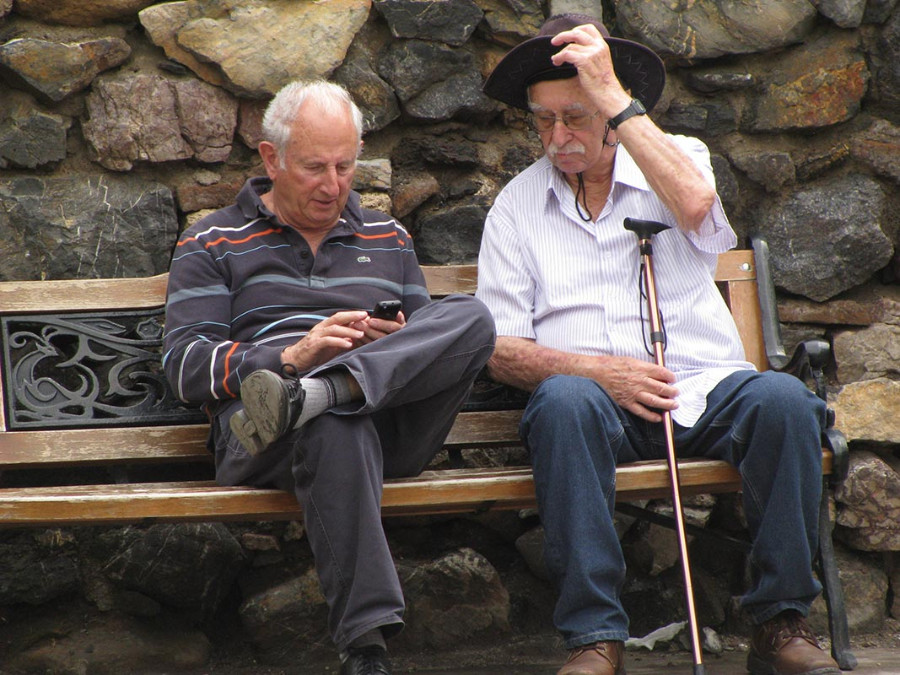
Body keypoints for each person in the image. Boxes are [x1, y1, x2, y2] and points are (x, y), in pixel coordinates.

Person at [477, 14, 840, 675]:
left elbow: (702, 209)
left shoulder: (677, 159)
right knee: (561, 403)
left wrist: (614, 100)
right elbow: (499, 348)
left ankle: (782, 622)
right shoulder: (515, 207)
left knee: (785, 400)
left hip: (704, 389)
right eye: (543, 120)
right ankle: (594, 637)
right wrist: (596, 371)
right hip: (595, 408)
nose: (558, 137)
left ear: (612, 111)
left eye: (576, 117)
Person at [163, 79, 495, 675]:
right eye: (316, 167)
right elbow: (186, 366)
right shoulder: (211, 241)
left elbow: (435, 345)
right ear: (272, 158)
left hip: (387, 419)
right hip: (262, 429)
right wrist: (294, 357)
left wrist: (393, 345)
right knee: (331, 426)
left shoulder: (389, 238)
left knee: (470, 315)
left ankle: (328, 392)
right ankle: (366, 651)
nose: (334, 184)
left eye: (346, 166)